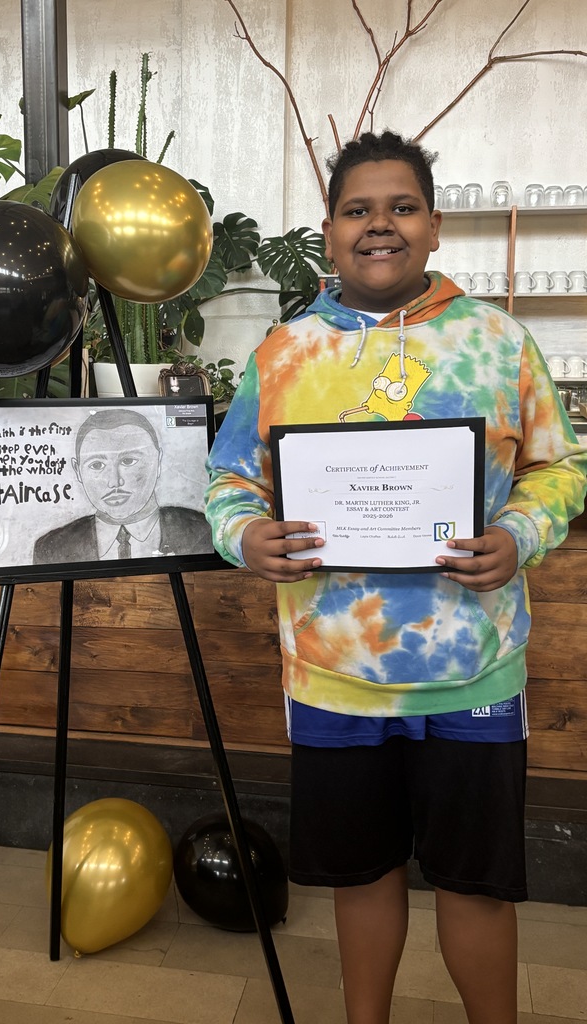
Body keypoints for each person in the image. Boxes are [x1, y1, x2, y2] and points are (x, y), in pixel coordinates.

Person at [205, 130, 587, 1024]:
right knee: (362, 875)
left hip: (475, 671)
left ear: (435, 225)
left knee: (475, 884)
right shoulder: (285, 352)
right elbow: (229, 480)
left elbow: (560, 467)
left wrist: (520, 534)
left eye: (401, 206)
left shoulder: (498, 341)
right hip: (337, 678)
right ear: (331, 231)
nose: (381, 225)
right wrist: (248, 536)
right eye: (358, 209)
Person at [33, 408, 213, 563]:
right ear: (77, 470)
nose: (114, 481)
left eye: (128, 461)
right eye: (96, 465)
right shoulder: (51, 548)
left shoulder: (205, 532)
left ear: (157, 462)